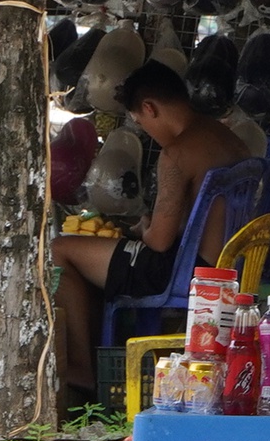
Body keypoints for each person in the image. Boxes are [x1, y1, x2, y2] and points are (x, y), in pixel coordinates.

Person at [51, 60, 251, 401]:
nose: (146, 130)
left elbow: (159, 241)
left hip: (185, 272)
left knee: (61, 250)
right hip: (226, 266)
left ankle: (82, 369)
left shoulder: (177, 153)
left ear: (149, 108)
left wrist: (142, 228)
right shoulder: (229, 140)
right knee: (100, 263)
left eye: (141, 122)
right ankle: (97, 361)